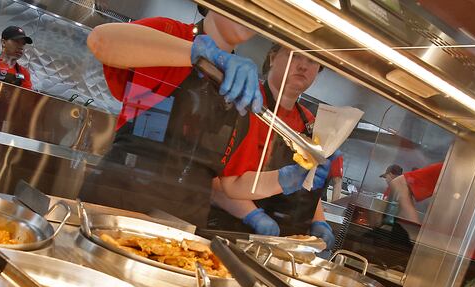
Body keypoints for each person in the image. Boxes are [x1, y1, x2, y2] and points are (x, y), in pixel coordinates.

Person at [78, 10, 263, 226]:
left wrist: (287, 179)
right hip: (115, 207)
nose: (252, 12)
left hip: (183, 227)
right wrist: (194, 53)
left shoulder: (246, 87)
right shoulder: (170, 34)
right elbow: (100, 40)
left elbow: (232, 181)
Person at [208, 44, 337, 256]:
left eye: (312, 61)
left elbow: (305, 182)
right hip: (231, 234)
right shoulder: (245, 100)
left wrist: (319, 221)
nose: (303, 66)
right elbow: (213, 179)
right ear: (272, 58)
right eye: (295, 55)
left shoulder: (311, 124)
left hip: (283, 247)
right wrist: (254, 215)